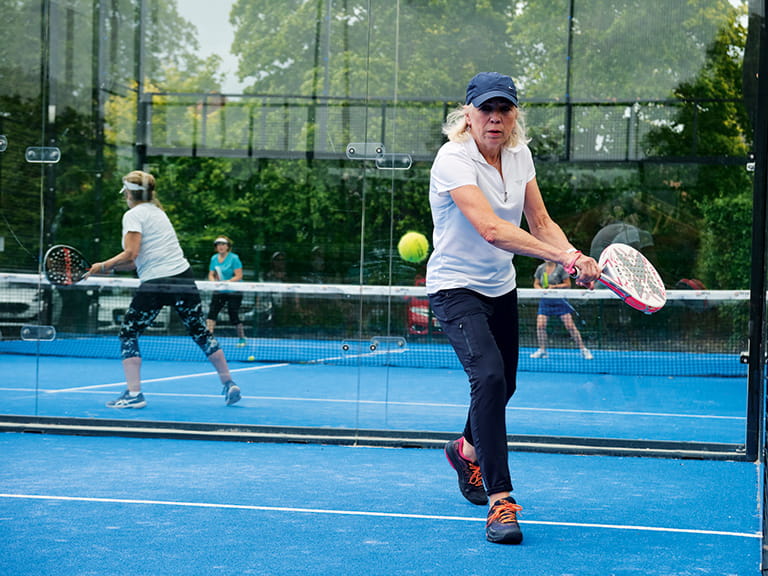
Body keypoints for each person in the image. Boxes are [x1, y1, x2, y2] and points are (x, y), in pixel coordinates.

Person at [426, 72, 600, 544]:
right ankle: (500, 502)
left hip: (500, 288)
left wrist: (576, 256)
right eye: (485, 109)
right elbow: (490, 229)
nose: (494, 118)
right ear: (468, 115)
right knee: (488, 377)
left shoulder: (520, 157)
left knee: (506, 383)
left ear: (514, 115)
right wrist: (564, 257)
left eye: (504, 109)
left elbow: (540, 220)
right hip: (454, 289)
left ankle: (465, 450)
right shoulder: (452, 159)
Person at [87, 170, 241, 409]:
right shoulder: (158, 213)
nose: (125, 194)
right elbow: (134, 262)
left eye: (126, 190)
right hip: (183, 278)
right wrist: (109, 269)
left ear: (129, 193)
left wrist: (102, 265)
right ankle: (229, 382)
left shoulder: (133, 215)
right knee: (200, 332)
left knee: (129, 333)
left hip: (157, 283)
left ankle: (134, 394)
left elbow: (131, 254)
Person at [530, 260, 593, 360]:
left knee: (570, 326)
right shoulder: (541, 268)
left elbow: (567, 284)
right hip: (545, 300)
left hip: (560, 300)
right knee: (540, 326)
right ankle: (542, 350)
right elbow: (536, 283)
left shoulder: (561, 268)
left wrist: (554, 287)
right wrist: (541, 290)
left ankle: (583, 349)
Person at [207, 235, 247, 346]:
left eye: (223, 244)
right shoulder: (214, 258)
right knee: (212, 313)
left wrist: (227, 282)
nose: (221, 246)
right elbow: (211, 274)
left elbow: (239, 275)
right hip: (219, 291)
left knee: (233, 313)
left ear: (228, 246)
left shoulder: (234, 258)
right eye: (218, 244)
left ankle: (242, 338)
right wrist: (213, 282)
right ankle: (209, 339)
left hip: (234, 290)